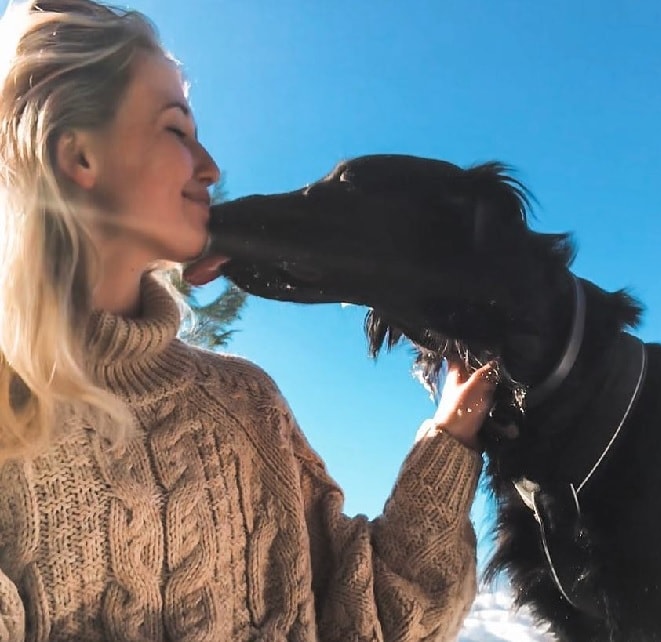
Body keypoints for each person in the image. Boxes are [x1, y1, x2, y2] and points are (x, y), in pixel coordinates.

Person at [0, 1, 496, 640]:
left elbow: (370, 619)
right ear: (81, 157)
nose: (209, 167)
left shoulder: (247, 406)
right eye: (176, 131)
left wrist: (448, 444)